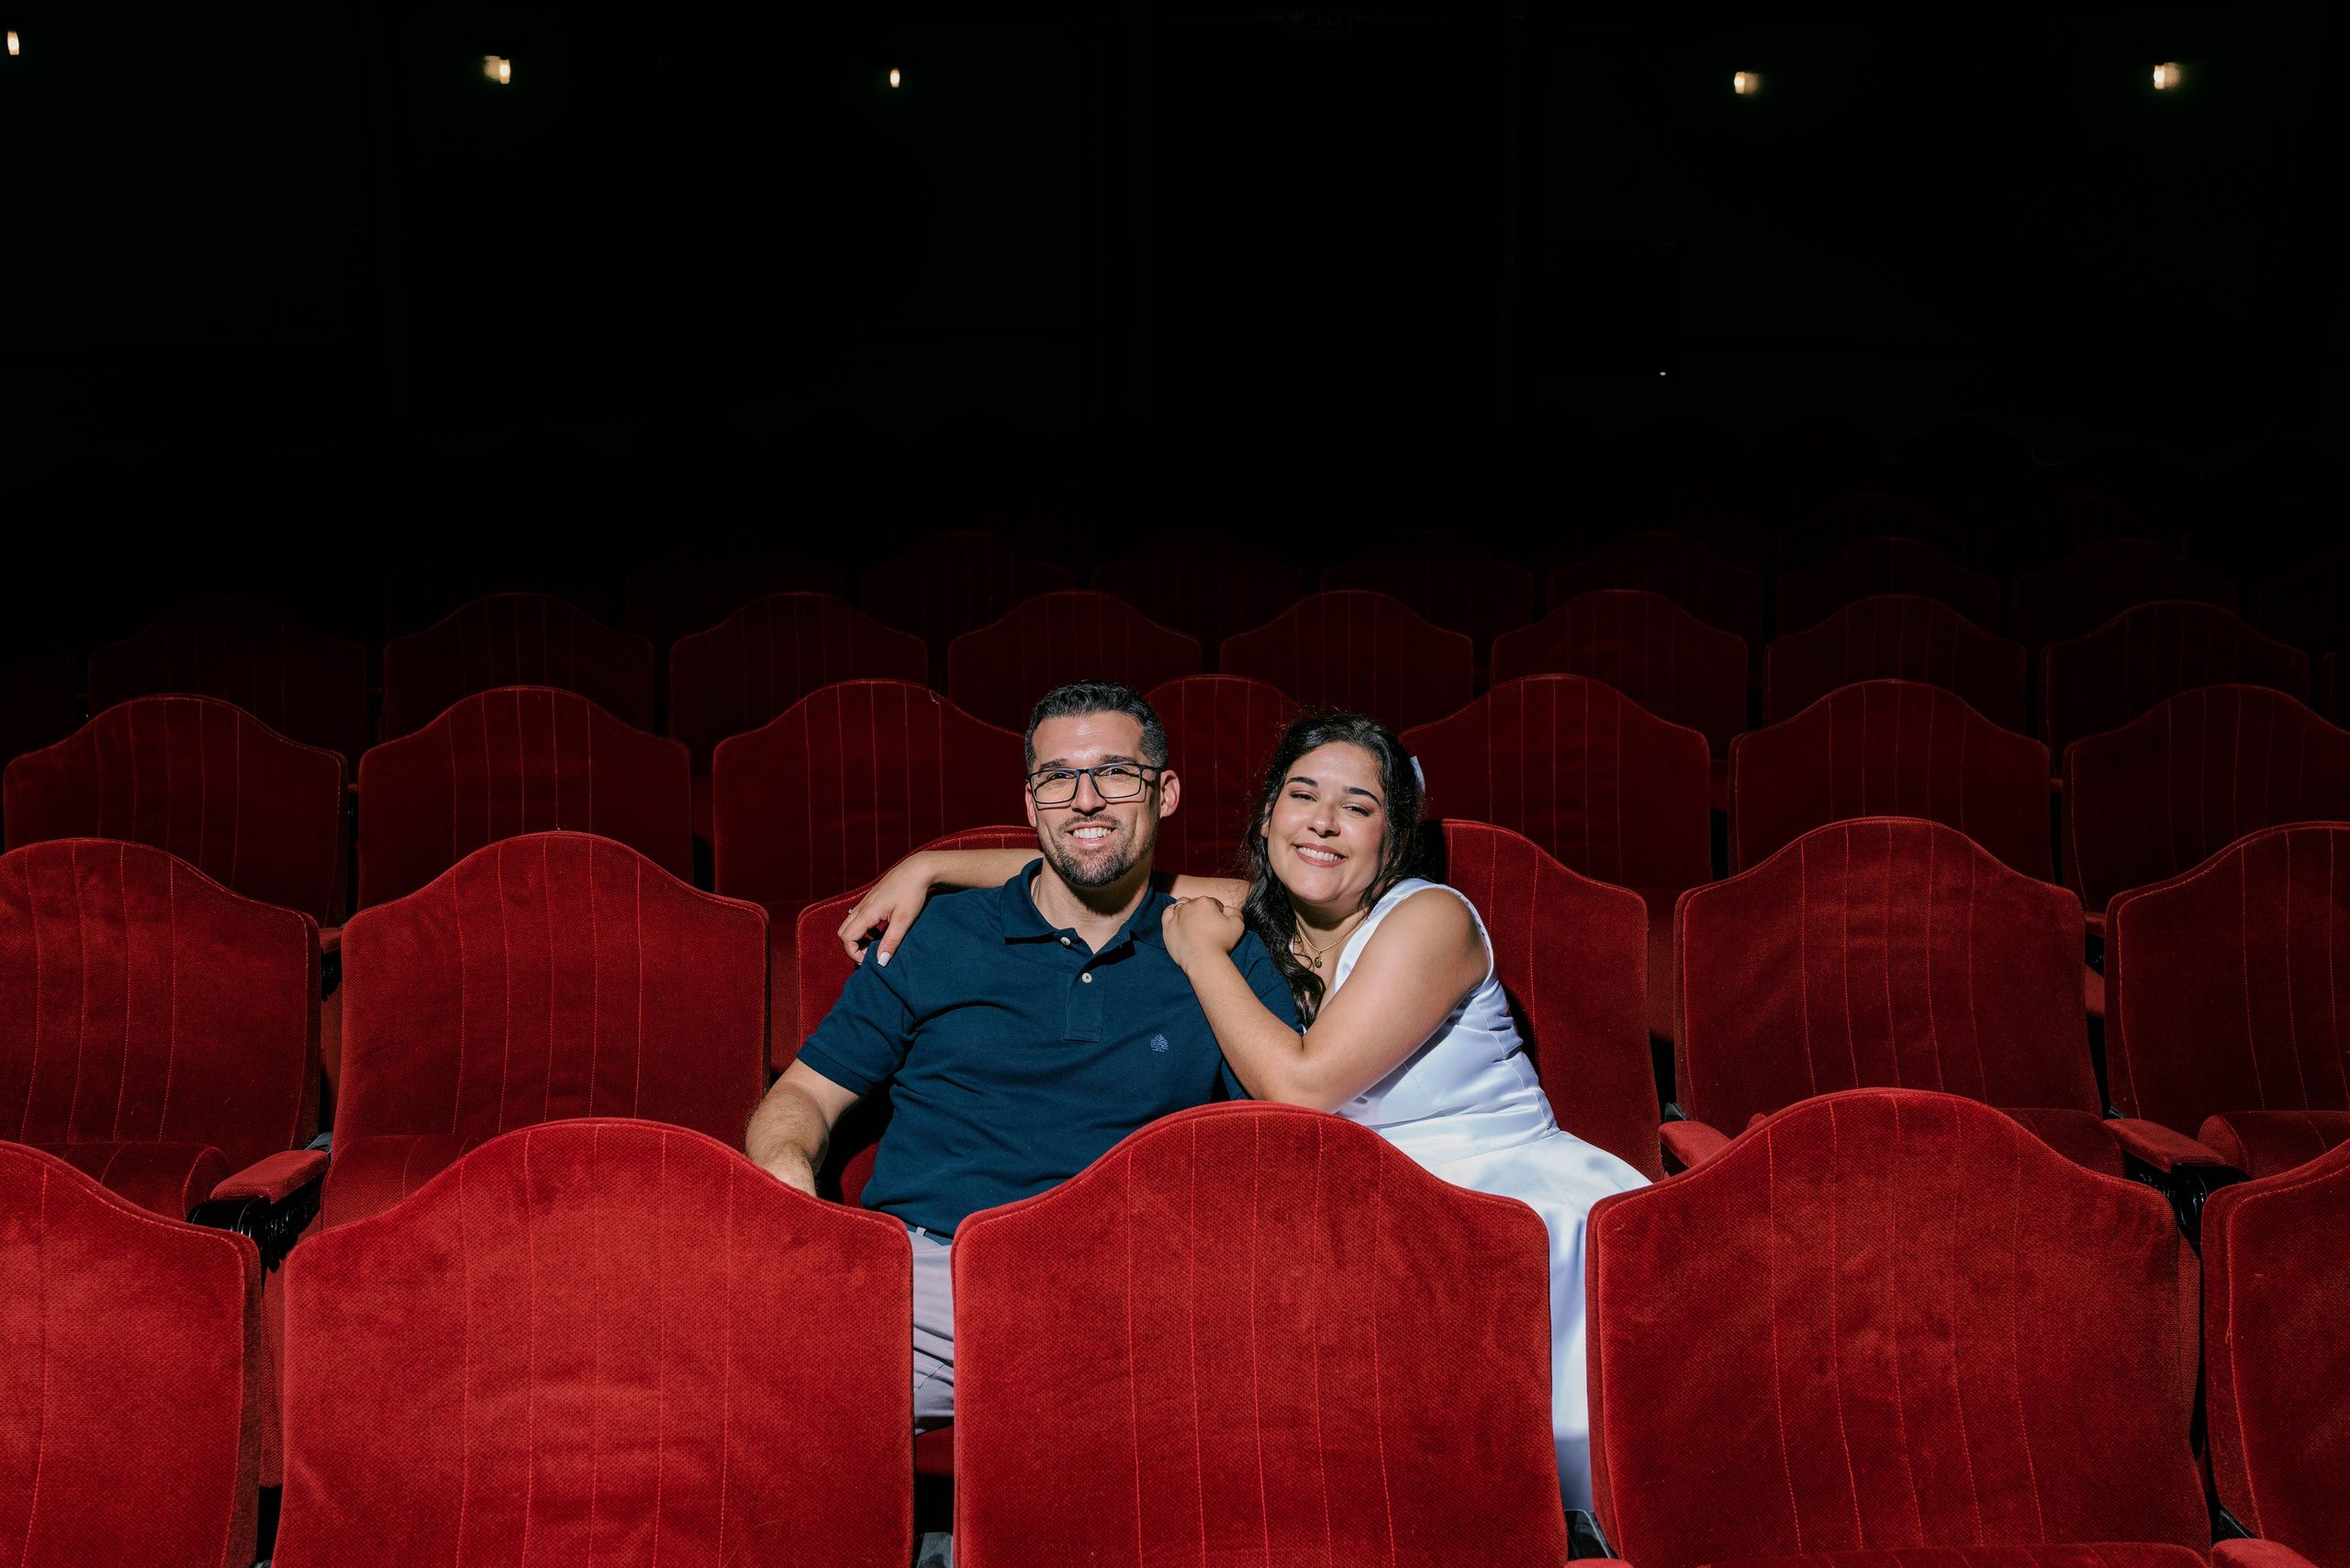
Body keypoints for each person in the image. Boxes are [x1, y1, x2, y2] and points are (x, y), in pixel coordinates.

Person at [845, 710, 1648, 1508]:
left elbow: (1302, 1089)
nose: (1324, 824)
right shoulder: (1277, 915)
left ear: (1392, 841)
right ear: (1268, 820)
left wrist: (1195, 951)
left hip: (1502, 1212)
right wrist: (931, 867)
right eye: (1302, 796)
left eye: (1358, 807)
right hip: (1372, 1220)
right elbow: (1102, 870)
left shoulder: (1428, 919)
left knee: (1542, 1498)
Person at [746, 679, 1301, 1432]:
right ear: (1032, 802)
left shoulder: (1218, 947)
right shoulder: (935, 936)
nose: (1087, 801)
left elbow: (1287, 1138)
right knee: (743, 1390)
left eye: (1115, 773)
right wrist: (785, 1162)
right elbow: (804, 1095)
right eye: (1058, 778)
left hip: (1129, 1298)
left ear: (1164, 793)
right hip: (933, 1283)